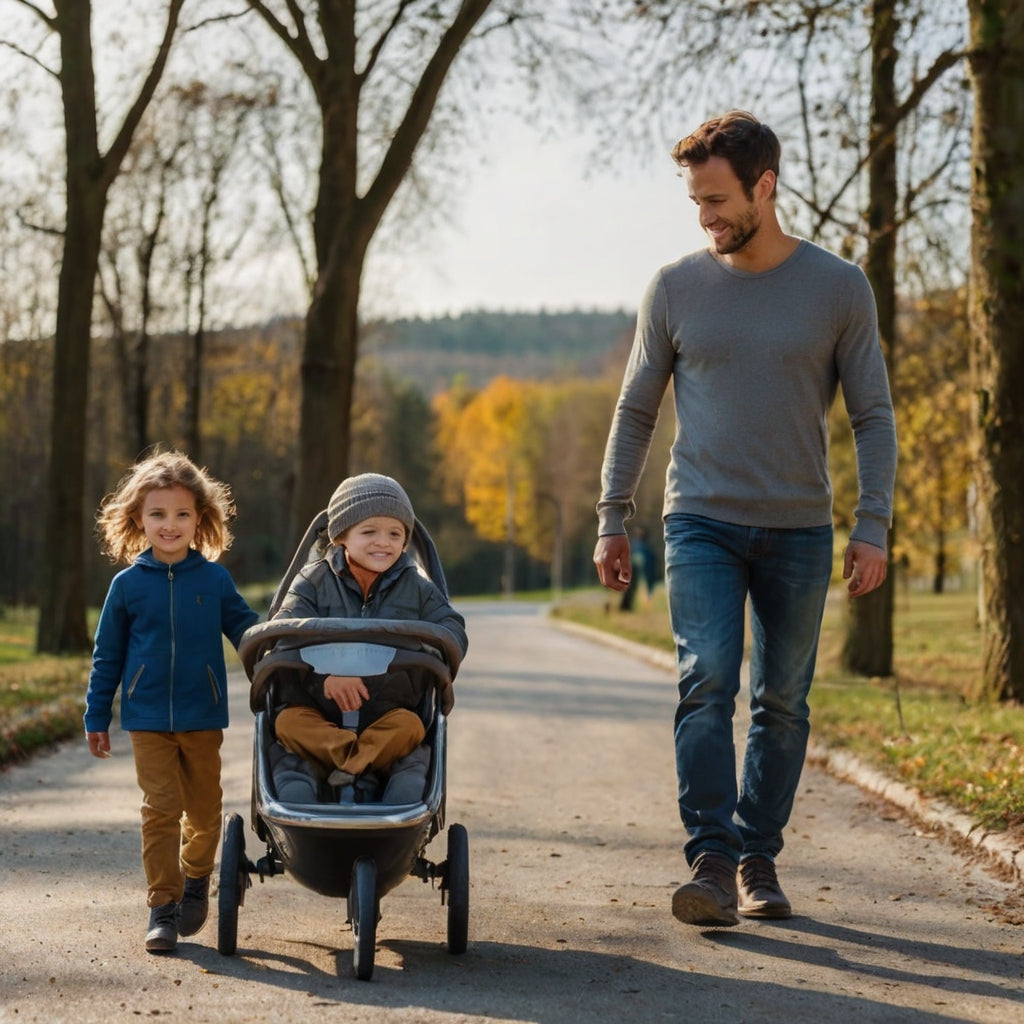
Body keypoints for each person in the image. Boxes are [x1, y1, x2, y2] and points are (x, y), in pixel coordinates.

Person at [593, 111, 897, 927]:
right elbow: (635, 410)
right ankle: (713, 860)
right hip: (700, 520)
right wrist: (611, 516)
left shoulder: (839, 288)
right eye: (696, 201)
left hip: (800, 526)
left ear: (765, 186)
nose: (706, 217)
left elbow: (872, 414)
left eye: (719, 199)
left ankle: (760, 854)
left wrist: (874, 523)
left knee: (784, 700)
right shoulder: (676, 286)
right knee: (706, 681)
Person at [84, 450, 259, 954]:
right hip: (147, 718)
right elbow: (107, 657)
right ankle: (162, 907)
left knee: (204, 812)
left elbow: (245, 631)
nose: (170, 525)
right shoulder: (126, 587)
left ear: (199, 520)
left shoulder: (214, 580)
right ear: (138, 518)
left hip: (202, 716)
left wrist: (274, 656)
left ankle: (196, 879)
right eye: (158, 514)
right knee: (160, 809)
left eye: (182, 514)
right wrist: (97, 714)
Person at [270, 473, 468, 803]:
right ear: (340, 537)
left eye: (395, 534)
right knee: (287, 722)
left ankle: (345, 763)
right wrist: (325, 678)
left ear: (406, 541)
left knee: (412, 726)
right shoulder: (312, 581)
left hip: (388, 711)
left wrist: (436, 649)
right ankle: (359, 762)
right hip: (320, 708)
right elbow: (284, 633)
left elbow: (452, 628)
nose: (383, 542)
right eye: (369, 532)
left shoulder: (417, 587)